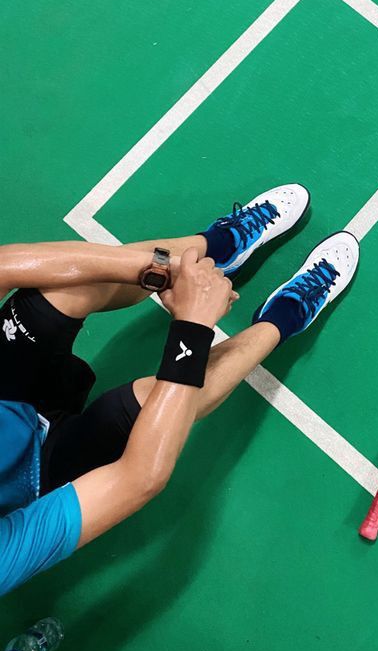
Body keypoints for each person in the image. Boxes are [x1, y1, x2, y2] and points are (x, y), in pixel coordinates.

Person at [0, 184, 359, 596]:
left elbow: (4, 266)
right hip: (43, 468)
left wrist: (169, 271)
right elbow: (139, 477)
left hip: (7, 400)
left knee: (60, 289)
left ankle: (217, 248)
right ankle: (283, 317)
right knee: (153, 403)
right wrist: (193, 325)